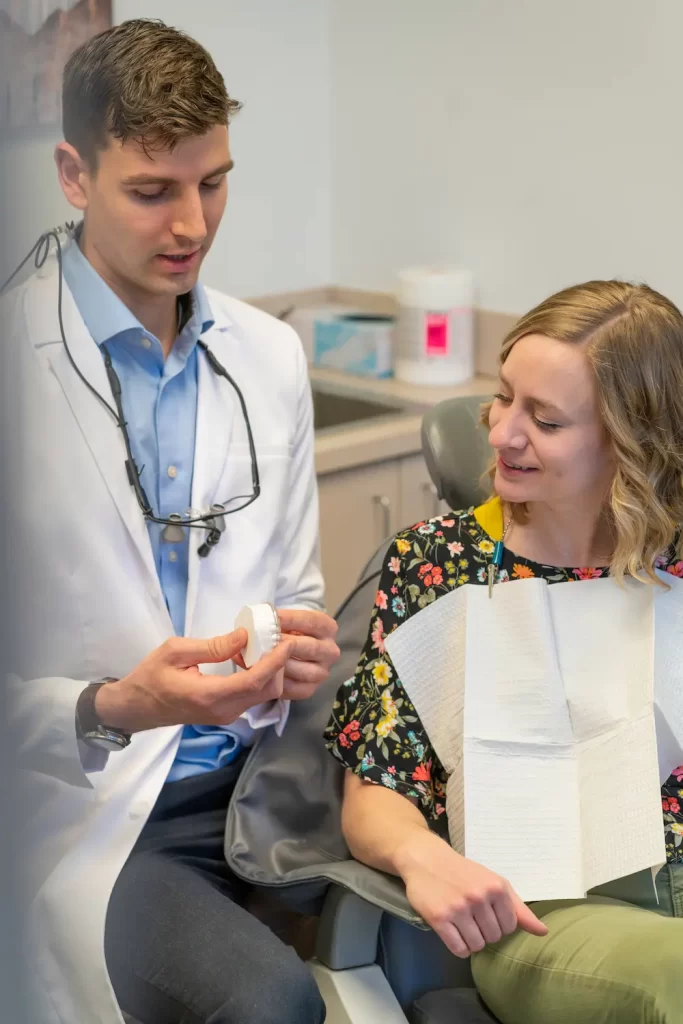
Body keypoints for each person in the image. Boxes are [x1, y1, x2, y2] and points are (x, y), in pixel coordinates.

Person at [3, 18, 339, 1024]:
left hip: (262, 778)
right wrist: (113, 705)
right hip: (96, 805)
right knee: (275, 1005)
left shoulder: (269, 357)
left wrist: (295, 648)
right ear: (73, 173)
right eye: (152, 191)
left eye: (213, 183)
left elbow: (297, 592)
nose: (190, 223)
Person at [325, 279, 683, 1023]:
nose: (499, 433)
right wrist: (423, 860)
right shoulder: (439, 566)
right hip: (554, 910)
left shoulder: (670, 564)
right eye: (502, 397)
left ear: (630, 443)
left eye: (543, 420)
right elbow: (376, 788)